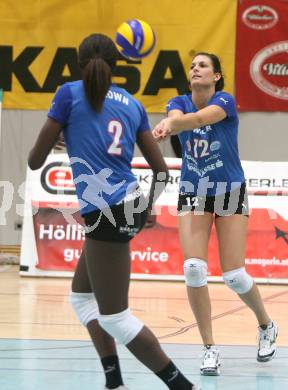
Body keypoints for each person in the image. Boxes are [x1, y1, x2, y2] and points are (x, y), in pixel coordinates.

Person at [28, 34, 198, 390]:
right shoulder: (132, 104)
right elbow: (163, 170)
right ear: (116, 64)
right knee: (81, 297)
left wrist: (61, 137)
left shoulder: (68, 94)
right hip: (129, 202)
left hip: (106, 210)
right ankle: (114, 381)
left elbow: (34, 160)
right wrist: (145, 208)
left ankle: (182, 386)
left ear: (79, 62)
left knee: (116, 316)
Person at [152, 52, 278, 376]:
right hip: (194, 192)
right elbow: (181, 114)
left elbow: (197, 120)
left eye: (203, 65)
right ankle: (209, 348)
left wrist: (169, 125)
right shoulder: (177, 102)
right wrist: (171, 119)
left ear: (216, 76)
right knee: (194, 269)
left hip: (229, 190)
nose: (195, 69)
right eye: (193, 66)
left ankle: (266, 324)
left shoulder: (225, 101)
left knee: (234, 275)